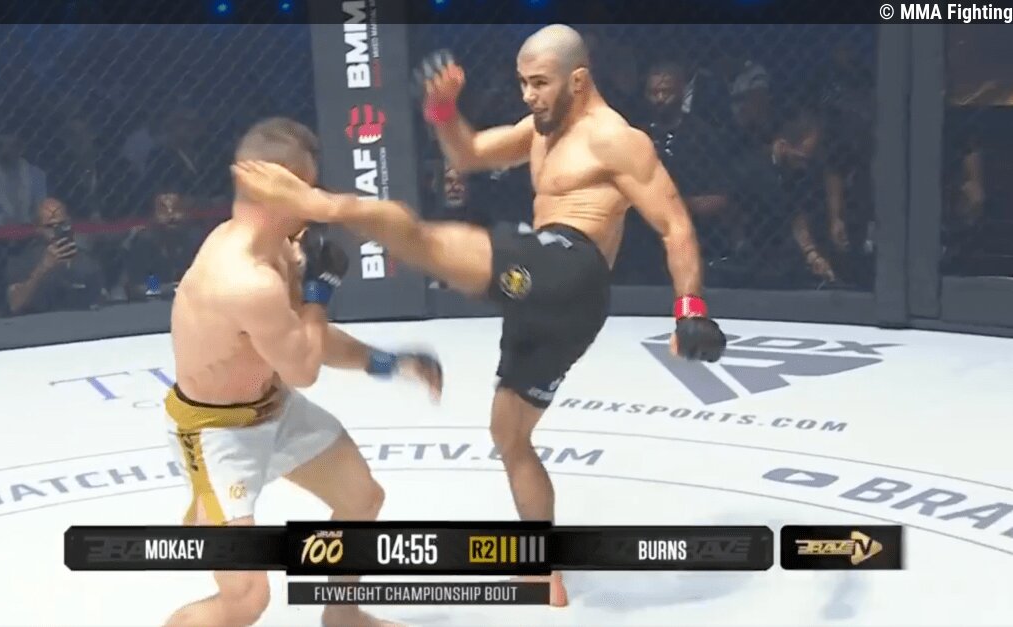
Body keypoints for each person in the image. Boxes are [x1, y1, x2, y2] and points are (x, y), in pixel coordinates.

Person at [230, 24, 728, 607]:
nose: (529, 96)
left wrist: (690, 307)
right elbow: (467, 154)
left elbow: (674, 223)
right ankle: (543, 569)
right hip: (556, 307)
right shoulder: (539, 130)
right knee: (510, 435)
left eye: (540, 83)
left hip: (570, 267)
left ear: (578, 80)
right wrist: (443, 112)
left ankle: (315, 204)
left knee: (416, 235)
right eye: (523, 83)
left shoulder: (617, 139)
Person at [162, 116, 442, 627]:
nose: (314, 200)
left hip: (275, 410)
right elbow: (303, 367)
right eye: (306, 188)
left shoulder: (278, 250)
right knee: (245, 597)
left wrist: (385, 361)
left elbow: (302, 341)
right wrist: (320, 292)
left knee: (361, 498)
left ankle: (342, 614)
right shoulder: (244, 278)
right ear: (275, 187)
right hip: (217, 435)